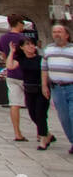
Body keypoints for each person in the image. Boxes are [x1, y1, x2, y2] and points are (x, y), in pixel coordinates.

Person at [7, 36, 51, 150]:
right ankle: (47, 134)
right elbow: (9, 66)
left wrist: (45, 86)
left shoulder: (41, 59)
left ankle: (42, 140)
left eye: (32, 44)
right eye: (27, 44)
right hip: (29, 90)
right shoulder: (21, 60)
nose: (31, 46)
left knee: (40, 113)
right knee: (32, 114)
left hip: (41, 89)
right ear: (21, 47)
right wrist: (11, 52)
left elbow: (46, 73)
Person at [42, 21, 73, 154]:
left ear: (67, 35)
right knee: (64, 118)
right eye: (54, 32)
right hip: (57, 89)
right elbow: (44, 69)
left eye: (59, 32)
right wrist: (44, 86)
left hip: (71, 87)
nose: (56, 34)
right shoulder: (48, 49)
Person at [0, 14, 30, 140]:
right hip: (25, 73)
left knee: (14, 104)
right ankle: (41, 132)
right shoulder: (23, 38)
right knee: (33, 104)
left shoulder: (3, 38)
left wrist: (8, 64)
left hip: (11, 74)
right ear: (19, 23)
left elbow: (3, 56)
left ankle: (17, 133)